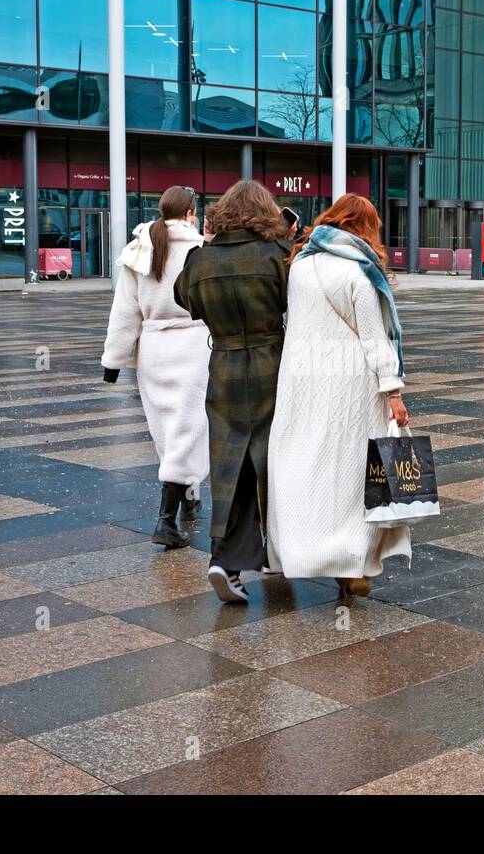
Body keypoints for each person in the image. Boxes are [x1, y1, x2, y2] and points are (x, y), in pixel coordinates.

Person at [267, 194, 412, 598]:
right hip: (351, 384)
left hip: (302, 379)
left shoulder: (299, 265)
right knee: (352, 469)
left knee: (303, 461)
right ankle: (352, 565)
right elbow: (374, 339)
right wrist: (394, 391)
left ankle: (298, 551)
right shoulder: (357, 273)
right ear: (362, 228)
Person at [173, 180, 291, 603]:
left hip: (223, 366)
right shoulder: (277, 255)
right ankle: (284, 550)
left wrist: (204, 247)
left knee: (230, 466)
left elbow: (186, 300)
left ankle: (225, 559)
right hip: (273, 364)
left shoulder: (200, 261)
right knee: (278, 462)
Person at [101, 185, 209, 549]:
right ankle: (166, 520)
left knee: (166, 430)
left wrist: (113, 361)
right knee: (189, 428)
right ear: (191, 212)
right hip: (195, 347)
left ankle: (189, 493)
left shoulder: (138, 250)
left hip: (152, 350)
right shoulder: (201, 250)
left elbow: (125, 310)